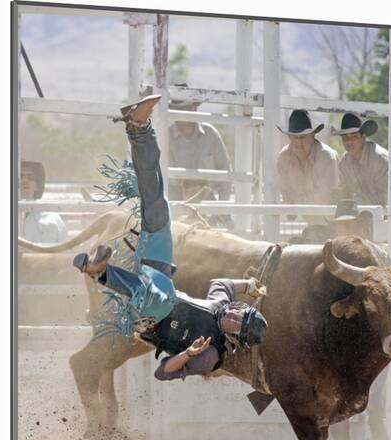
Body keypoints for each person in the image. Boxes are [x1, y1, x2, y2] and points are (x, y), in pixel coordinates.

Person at [74, 95, 268, 381]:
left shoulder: (211, 354)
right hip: (162, 277)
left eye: (238, 323)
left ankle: (100, 272)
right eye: (240, 313)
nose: (234, 317)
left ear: (236, 337)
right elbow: (221, 283)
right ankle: (139, 129)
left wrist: (187, 355)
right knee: (158, 205)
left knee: (158, 298)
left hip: (152, 321)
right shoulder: (220, 305)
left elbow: (162, 373)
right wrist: (249, 285)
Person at [168, 86, 232, 202]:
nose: (179, 115)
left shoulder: (210, 134)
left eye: (183, 110)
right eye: (176, 110)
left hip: (207, 201)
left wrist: (222, 209)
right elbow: (166, 182)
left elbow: (225, 171)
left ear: (193, 109)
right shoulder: (167, 138)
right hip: (176, 203)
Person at [277, 109, 339, 211]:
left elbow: (324, 198)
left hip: (329, 220)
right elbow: (284, 192)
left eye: (303, 137)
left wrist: (293, 203)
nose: (299, 142)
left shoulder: (326, 157)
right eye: (294, 137)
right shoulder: (284, 157)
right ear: (289, 137)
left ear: (312, 135)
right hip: (296, 218)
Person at [334, 112, 388, 206]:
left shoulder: (379, 159)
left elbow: (386, 200)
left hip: (387, 216)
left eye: (354, 136)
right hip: (359, 216)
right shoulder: (344, 162)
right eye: (344, 137)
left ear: (363, 137)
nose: (349, 141)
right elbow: (344, 194)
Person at [20, 160, 68, 243]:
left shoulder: (53, 219)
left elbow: (64, 249)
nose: (25, 181)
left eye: (30, 177)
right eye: (20, 177)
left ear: (37, 185)